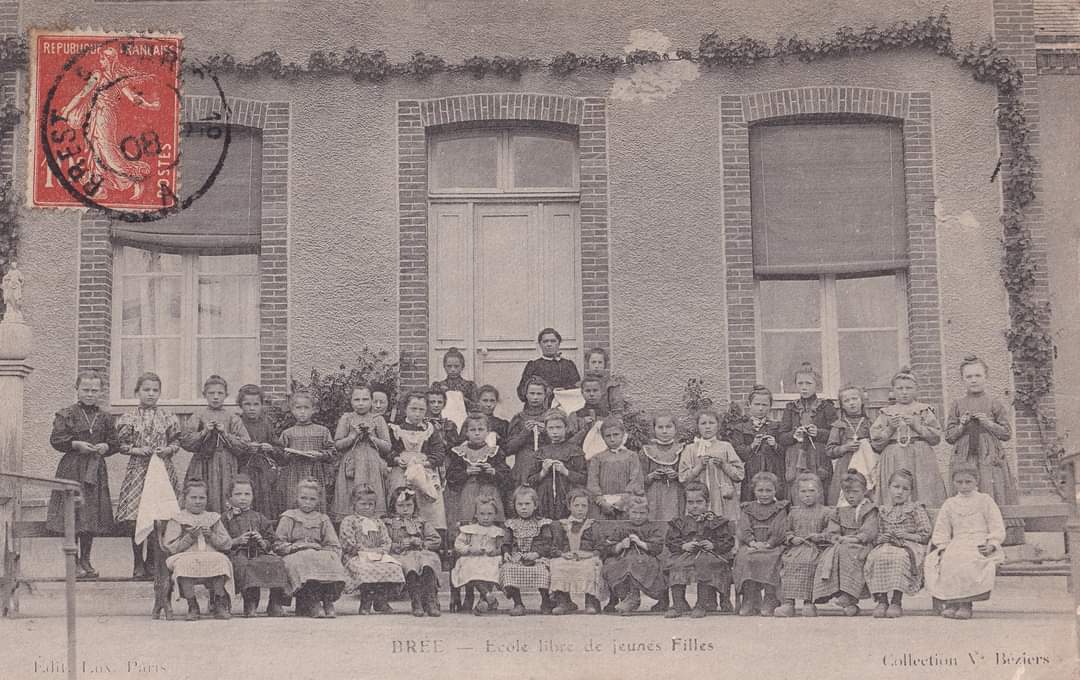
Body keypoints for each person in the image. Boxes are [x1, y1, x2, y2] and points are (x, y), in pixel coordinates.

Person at [47, 369, 119, 579]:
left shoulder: (105, 417)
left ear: (100, 392)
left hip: (95, 470)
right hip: (72, 467)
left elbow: (114, 443)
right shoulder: (66, 414)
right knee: (74, 513)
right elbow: (56, 440)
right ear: (77, 390)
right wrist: (75, 444)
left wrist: (106, 446)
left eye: (94, 390)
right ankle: (74, 560)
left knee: (91, 514)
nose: (90, 394)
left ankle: (86, 558)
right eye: (86, 389)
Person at [115, 372, 181, 579]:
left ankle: (153, 561)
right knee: (135, 516)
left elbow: (176, 442)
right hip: (138, 470)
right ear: (137, 392)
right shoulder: (128, 417)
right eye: (146, 390)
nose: (151, 394)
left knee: (159, 515)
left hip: (161, 469)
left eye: (155, 390)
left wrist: (168, 450)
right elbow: (121, 445)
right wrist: (136, 450)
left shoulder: (168, 417)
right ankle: (137, 562)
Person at [924, 463, 1007, 620]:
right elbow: (941, 529)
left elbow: (996, 525)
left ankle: (966, 604)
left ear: (976, 481)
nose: (964, 486)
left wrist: (992, 544)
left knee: (969, 559)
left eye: (968, 482)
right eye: (959, 482)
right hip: (958, 541)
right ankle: (952, 602)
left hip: (981, 542)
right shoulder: (950, 504)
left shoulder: (985, 500)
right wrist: (943, 546)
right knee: (950, 558)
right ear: (953, 482)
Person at [944, 355, 1018, 505]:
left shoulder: (994, 403)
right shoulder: (957, 404)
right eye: (969, 376)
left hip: (989, 454)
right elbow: (949, 437)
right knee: (965, 486)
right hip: (965, 456)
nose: (973, 380)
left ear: (986, 377)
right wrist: (962, 425)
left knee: (990, 486)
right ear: (962, 379)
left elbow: (1006, 433)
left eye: (978, 375)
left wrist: (988, 423)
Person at [871, 368, 946, 508]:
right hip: (894, 457)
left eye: (909, 388)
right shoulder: (886, 412)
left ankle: (924, 521)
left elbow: (936, 438)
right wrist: (890, 429)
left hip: (920, 456)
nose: (904, 392)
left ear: (916, 390)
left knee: (923, 489)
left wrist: (917, 426)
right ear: (893, 390)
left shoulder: (924, 410)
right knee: (896, 490)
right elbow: (876, 443)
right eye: (900, 388)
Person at [162, 479, 235, 621]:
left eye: (202, 498)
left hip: (209, 554)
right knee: (184, 565)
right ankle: (192, 605)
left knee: (221, 561)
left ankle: (219, 602)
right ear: (184, 499)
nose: (198, 501)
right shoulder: (178, 519)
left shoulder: (213, 518)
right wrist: (189, 537)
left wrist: (211, 536)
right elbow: (171, 547)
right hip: (185, 555)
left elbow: (227, 544)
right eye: (193, 498)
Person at [582, 495, 666, 615]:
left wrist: (640, 543)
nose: (638, 516)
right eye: (634, 512)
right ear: (628, 512)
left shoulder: (652, 528)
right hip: (622, 557)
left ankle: (633, 598)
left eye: (642, 513)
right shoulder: (622, 527)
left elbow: (657, 548)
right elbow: (608, 547)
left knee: (633, 563)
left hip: (645, 558)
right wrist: (621, 545)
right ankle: (626, 597)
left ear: (648, 513)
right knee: (610, 564)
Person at [864, 469, 932, 618]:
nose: (899, 492)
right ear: (889, 488)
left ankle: (896, 600)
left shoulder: (915, 509)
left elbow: (925, 534)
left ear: (910, 492)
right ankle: (882, 600)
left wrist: (907, 535)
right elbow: (877, 534)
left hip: (909, 546)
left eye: (905, 489)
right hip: (887, 545)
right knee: (877, 556)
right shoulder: (883, 510)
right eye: (896, 487)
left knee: (898, 558)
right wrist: (881, 538)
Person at [275, 479, 347, 618]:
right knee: (304, 561)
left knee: (330, 559)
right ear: (296, 497)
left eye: (312, 499)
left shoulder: (323, 519)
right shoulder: (289, 517)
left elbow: (333, 545)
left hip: (318, 553)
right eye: (303, 498)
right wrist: (297, 546)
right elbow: (278, 544)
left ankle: (327, 600)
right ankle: (313, 602)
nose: (307, 502)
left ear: (319, 500)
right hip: (294, 553)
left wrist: (321, 550)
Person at [664, 481, 736, 618]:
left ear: (707, 503)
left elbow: (727, 541)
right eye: (690, 502)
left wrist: (713, 544)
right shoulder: (680, 522)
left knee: (704, 564)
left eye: (699, 502)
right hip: (686, 555)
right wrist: (683, 546)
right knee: (676, 565)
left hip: (711, 555)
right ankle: (679, 603)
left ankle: (701, 604)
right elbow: (671, 541)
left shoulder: (715, 521)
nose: (695, 506)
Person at [812, 469, 879, 616]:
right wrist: (836, 537)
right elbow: (833, 530)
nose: (851, 496)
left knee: (850, 553)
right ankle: (842, 597)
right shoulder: (840, 511)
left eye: (855, 492)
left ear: (864, 491)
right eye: (847, 492)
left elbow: (869, 531)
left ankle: (849, 595)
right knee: (831, 554)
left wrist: (852, 538)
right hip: (842, 544)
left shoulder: (869, 509)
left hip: (862, 545)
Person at [221, 475, 289, 617]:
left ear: (253, 496)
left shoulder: (259, 517)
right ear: (229, 497)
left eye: (247, 494)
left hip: (259, 552)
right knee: (245, 565)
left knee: (277, 563)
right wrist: (236, 541)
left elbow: (271, 539)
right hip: (237, 553)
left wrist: (262, 541)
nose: (243, 498)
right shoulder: (225, 518)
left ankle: (275, 603)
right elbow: (219, 540)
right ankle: (250, 604)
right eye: (238, 494)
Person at [180, 375, 249, 513]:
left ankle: (225, 529)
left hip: (226, 463)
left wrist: (225, 433)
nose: (216, 397)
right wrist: (204, 432)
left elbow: (244, 444)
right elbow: (185, 441)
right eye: (211, 393)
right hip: (202, 464)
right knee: (203, 493)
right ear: (204, 395)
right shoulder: (198, 415)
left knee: (225, 494)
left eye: (220, 393)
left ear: (226, 395)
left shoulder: (232, 417)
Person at [387, 392, 448, 535]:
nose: (417, 413)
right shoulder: (396, 429)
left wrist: (426, 463)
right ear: (405, 409)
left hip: (424, 473)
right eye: (413, 409)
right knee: (403, 500)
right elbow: (388, 451)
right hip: (402, 473)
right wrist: (396, 459)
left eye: (421, 410)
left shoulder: (430, 430)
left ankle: (430, 538)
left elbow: (439, 453)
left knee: (429, 507)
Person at [339, 484, 405, 615]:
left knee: (392, 567)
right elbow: (347, 541)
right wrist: (362, 550)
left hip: (377, 555)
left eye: (371, 504)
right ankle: (366, 601)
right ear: (354, 503)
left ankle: (381, 600)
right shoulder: (349, 521)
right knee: (365, 568)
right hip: (356, 555)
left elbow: (386, 540)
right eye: (363, 504)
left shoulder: (378, 523)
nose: (367, 507)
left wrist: (381, 550)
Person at [332, 385, 392, 521]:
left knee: (372, 497)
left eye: (365, 399)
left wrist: (372, 437)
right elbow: (338, 445)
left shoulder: (377, 419)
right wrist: (352, 436)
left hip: (372, 466)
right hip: (351, 465)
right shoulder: (347, 418)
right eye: (356, 399)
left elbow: (387, 447)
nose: (360, 403)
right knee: (349, 497)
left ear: (371, 401)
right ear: (351, 401)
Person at [775, 473, 832, 617]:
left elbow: (831, 531)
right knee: (788, 563)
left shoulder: (826, 512)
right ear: (797, 494)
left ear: (819, 492)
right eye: (803, 491)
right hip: (796, 548)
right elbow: (787, 531)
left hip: (816, 548)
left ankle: (809, 602)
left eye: (811, 491)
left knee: (810, 563)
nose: (807, 495)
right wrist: (792, 538)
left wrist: (819, 536)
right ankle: (788, 602)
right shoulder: (794, 512)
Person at [777, 363, 836, 500]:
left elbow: (835, 435)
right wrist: (794, 435)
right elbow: (782, 437)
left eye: (808, 383)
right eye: (800, 383)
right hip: (796, 457)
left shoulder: (826, 407)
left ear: (817, 385)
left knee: (819, 490)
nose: (804, 387)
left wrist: (819, 433)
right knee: (797, 493)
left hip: (818, 457)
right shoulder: (791, 408)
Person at [733, 471, 789, 617]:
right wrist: (752, 542)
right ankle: (750, 598)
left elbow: (779, 529)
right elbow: (744, 527)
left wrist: (769, 543)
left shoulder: (780, 508)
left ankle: (770, 598)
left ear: (775, 490)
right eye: (760, 490)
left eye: (768, 490)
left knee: (772, 559)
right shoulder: (747, 508)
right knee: (745, 557)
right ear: (754, 490)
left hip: (772, 546)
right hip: (752, 544)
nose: (764, 494)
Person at [385, 486, 444, 617]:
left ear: (414, 506)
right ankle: (416, 601)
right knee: (410, 566)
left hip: (422, 552)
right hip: (402, 554)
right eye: (400, 505)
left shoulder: (421, 522)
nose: (405, 509)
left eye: (408, 505)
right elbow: (385, 542)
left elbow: (435, 539)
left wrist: (422, 543)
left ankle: (430, 601)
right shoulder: (389, 523)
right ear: (393, 506)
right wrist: (399, 545)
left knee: (428, 563)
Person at [678, 409, 744, 523]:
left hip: (721, 497)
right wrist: (698, 467)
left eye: (711, 423)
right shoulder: (690, 449)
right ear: (698, 426)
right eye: (703, 423)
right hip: (698, 497)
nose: (707, 427)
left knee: (722, 526)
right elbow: (682, 478)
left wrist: (724, 465)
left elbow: (739, 475)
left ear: (718, 425)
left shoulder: (725, 447)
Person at [233, 384, 288, 519]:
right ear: (240, 405)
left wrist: (270, 448)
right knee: (244, 498)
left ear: (262, 405)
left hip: (264, 472)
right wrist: (245, 448)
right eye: (247, 404)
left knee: (265, 501)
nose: (252, 408)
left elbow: (280, 449)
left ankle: (264, 530)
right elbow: (231, 446)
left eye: (256, 404)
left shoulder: (266, 424)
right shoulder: (236, 422)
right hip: (243, 469)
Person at [500, 486, 556, 616]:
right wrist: (507, 553)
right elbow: (506, 543)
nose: (523, 508)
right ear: (514, 506)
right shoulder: (511, 524)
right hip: (518, 557)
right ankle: (518, 603)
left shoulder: (542, 523)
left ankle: (545, 601)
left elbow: (547, 543)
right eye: (520, 504)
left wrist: (536, 553)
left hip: (537, 558)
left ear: (535, 505)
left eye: (527, 504)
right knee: (508, 569)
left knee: (543, 570)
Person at [547, 488, 605, 615]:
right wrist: (562, 554)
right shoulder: (561, 525)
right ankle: (564, 601)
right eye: (576, 505)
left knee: (590, 566)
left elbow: (601, 547)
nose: (580, 509)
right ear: (569, 506)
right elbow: (554, 547)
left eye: (584, 506)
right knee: (558, 565)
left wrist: (589, 554)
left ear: (588, 507)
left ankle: (590, 601)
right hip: (567, 557)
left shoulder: (593, 525)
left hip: (587, 557)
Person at [279, 392, 336, 514]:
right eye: (298, 408)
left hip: (315, 472)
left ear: (313, 410)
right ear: (292, 410)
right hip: (294, 473)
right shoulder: (287, 433)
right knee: (294, 501)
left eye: (306, 408)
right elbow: (279, 456)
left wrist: (320, 455)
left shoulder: (322, 431)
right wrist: (287, 455)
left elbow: (332, 452)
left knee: (316, 500)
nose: (302, 412)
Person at [728, 385, 785, 502]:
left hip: (773, 469)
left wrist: (775, 445)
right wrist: (752, 445)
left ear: (770, 407)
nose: (760, 408)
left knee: (775, 499)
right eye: (757, 404)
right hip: (752, 471)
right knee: (751, 499)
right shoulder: (741, 428)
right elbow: (738, 453)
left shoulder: (776, 427)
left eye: (764, 405)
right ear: (749, 405)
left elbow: (785, 452)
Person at [451, 495, 505, 616]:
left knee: (491, 568)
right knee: (471, 567)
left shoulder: (497, 531)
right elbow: (458, 545)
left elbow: (503, 547)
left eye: (490, 514)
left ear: (495, 515)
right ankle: (488, 596)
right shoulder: (469, 530)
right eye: (482, 514)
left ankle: (483, 600)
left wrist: (496, 551)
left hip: (490, 558)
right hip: (471, 557)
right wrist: (470, 549)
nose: (486, 517)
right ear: (476, 514)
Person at [528, 409, 587, 519]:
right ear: (546, 429)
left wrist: (565, 471)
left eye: (558, 427)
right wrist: (543, 472)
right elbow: (530, 480)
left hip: (568, 496)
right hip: (545, 497)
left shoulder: (575, 451)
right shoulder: (541, 452)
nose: (555, 431)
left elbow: (583, 478)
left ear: (566, 428)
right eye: (551, 428)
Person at [824, 386, 878, 506]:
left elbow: (878, 445)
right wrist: (845, 447)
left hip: (866, 464)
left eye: (855, 399)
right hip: (845, 466)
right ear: (842, 405)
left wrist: (867, 445)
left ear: (862, 401)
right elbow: (829, 450)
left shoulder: (869, 423)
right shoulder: (839, 425)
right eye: (847, 401)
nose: (851, 403)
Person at [586, 417, 644, 518]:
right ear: (603, 438)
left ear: (623, 435)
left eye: (616, 435)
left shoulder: (631, 456)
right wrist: (601, 501)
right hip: (603, 505)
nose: (612, 439)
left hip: (627, 504)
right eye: (608, 436)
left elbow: (636, 481)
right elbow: (592, 482)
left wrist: (623, 500)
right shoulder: (597, 458)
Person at [506, 376, 552, 489]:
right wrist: (524, 433)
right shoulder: (519, 418)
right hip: (524, 465)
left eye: (539, 394)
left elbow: (562, 443)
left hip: (546, 462)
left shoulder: (552, 416)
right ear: (526, 395)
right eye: (532, 393)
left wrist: (546, 432)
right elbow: (508, 449)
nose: (535, 397)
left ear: (545, 395)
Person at [639, 411, 685, 521]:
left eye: (668, 427)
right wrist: (651, 476)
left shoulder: (682, 449)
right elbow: (638, 478)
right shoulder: (646, 450)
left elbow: (687, 475)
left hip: (675, 494)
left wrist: (677, 475)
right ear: (654, 429)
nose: (664, 431)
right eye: (660, 427)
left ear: (675, 428)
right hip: (653, 495)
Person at [515, 328, 581, 403]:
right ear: (540, 344)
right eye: (545, 341)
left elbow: (577, 388)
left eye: (553, 341)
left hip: (564, 405)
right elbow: (521, 391)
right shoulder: (533, 365)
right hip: (541, 408)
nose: (549, 344)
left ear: (559, 343)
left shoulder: (568, 365)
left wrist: (564, 390)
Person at [568, 375, 609, 442]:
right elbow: (569, 441)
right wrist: (583, 426)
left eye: (595, 390)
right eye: (588, 391)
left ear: (601, 392)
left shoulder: (608, 416)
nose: (591, 394)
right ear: (582, 393)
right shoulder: (575, 416)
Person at [582, 347, 623, 413]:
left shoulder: (611, 385)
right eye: (593, 362)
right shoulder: (582, 384)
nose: (596, 366)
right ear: (587, 364)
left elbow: (617, 408)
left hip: (606, 419)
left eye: (600, 362)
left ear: (605, 365)